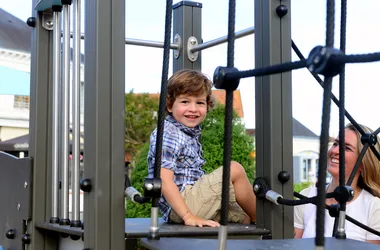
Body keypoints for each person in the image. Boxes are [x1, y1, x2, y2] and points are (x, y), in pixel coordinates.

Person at [147, 69, 256, 227]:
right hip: (183, 204)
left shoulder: (186, 133)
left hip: (192, 201)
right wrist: (188, 216)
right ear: (170, 105)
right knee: (234, 169)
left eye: (199, 102)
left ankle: (256, 219)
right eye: (185, 102)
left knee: (243, 216)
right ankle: (268, 223)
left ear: (207, 105)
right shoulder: (169, 134)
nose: (193, 108)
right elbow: (164, 180)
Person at [294, 123, 380, 244]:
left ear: (363, 164)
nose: (334, 150)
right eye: (335, 144)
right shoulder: (306, 197)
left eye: (347, 148)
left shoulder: (374, 208)